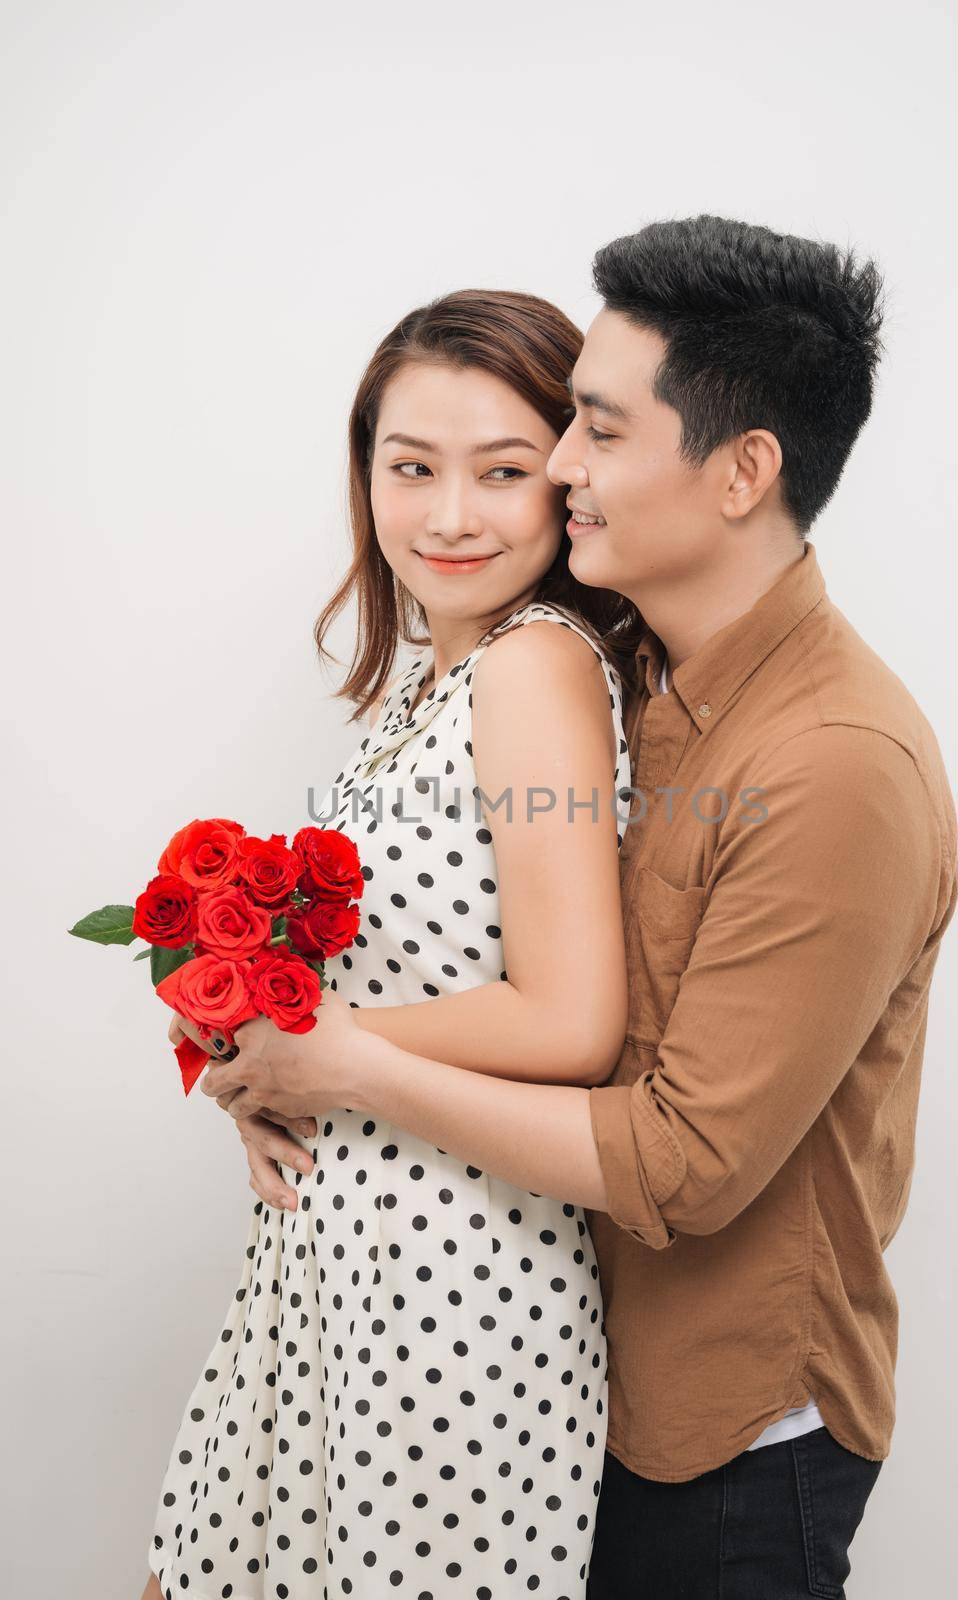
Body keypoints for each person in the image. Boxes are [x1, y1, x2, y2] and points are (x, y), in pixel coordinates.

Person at [201, 216, 958, 1599]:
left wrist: (350, 1064)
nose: (557, 470)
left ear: (742, 472)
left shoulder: (836, 764)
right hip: (581, 1371)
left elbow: (681, 1159)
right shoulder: (661, 683)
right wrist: (278, 1054)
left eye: (593, 434)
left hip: (733, 1436)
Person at [142, 288, 644, 1599]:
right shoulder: (433, 686)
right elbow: (367, 995)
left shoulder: (534, 669)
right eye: (410, 468)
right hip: (344, 1273)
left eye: (503, 472)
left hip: (454, 1287)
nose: (450, 515)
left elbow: (570, 1016)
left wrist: (315, 1053)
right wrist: (249, 1063)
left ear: (568, 484)